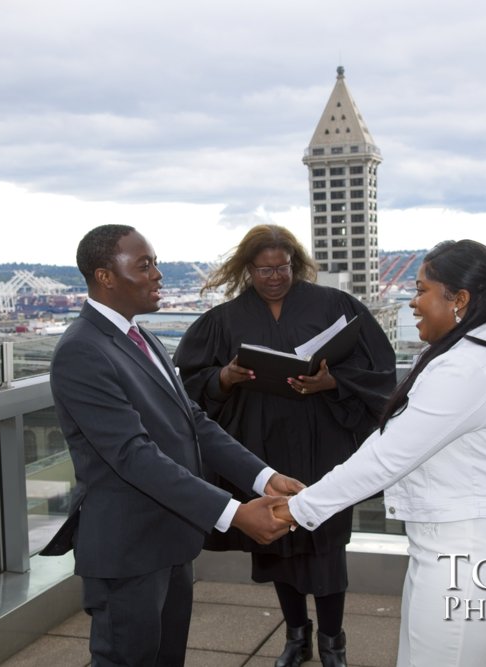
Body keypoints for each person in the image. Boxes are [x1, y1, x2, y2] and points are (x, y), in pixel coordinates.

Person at [40, 224, 302, 666]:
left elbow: (193, 423)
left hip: (170, 539)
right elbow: (131, 455)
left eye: (156, 262)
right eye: (145, 265)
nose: (158, 274)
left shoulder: (143, 339)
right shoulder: (81, 351)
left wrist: (265, 478)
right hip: (129, 552)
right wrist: (234, 514)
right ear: (105, 277)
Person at [276, 239, 486, 667]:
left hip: (469, 560)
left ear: (459, 300)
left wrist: (293, 511)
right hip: (455, 552)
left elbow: (386, 458)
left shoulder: (465, 369)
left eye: (421, 290)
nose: (412, 303)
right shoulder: (461, 356)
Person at [173, 224, 397, 667]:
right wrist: (225, 378)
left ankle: (334, 642)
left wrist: (333, 381)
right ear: (247, 270)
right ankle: (297, 637)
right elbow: (193, 387)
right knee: (275, 539)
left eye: (282, 267)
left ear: (295, 263)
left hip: (323, 443)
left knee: (327, 545)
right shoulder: (225, 320)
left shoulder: (335, 306)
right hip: (262, 447)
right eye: (263, 269)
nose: (274, 276)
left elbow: (378, 370)